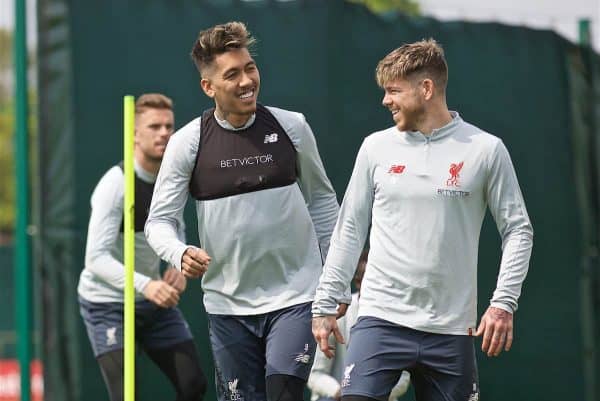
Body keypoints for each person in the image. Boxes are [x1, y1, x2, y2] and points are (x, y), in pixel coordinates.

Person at [312, 39, 534, 401]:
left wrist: (502, 303)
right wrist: (326, 302)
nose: (386, 101)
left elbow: (518, 230)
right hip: (379, 319)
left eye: (394, 91)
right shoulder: (374, 147)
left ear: (427, 89)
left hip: (451, 330)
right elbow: (350, 228)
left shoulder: (486, 149)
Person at [144, 22, 339, 401]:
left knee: (284, 392)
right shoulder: (187, 142)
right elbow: (159, 222)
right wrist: (180, 252)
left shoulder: (291, 126)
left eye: (250, 68)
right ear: (209, 86)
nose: (247, 80)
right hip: (227, 306)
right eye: (232, 74)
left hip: (295, 297)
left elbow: (322, 203)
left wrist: (334, 282)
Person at [77, 93, 207, 401]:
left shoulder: (172, 177)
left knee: (193, 386)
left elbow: (175, 227)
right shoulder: (116, 184)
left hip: (153, 302)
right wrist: (146, 285)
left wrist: (175, 262)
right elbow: (95, 258)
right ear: (134, 134)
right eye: (154, 126)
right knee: (126, 395)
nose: (164, 132)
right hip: (108, 304)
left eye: (168, 126)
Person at [308, 250, 411, 401]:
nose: (379, 286)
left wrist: (372, 393)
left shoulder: (397, 316)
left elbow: (404, 377)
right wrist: (340, 393)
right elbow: (315, 375)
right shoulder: (338, 315)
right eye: (373, 280)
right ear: (358, 281)